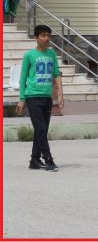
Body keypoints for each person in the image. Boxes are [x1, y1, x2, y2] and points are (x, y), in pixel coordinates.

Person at [17, 24, 63, 172]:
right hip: (32, 97)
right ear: (36, 38)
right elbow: (23, 78)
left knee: (41, 130)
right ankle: (48, 159)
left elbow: (56, 73)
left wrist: (61, 94)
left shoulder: (52, 54)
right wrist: (22, 99)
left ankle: (34, 160)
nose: (47, 38)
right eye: (43, 35)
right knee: (41, 128)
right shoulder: (29, 55)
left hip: (47, 97)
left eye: (48, 35)